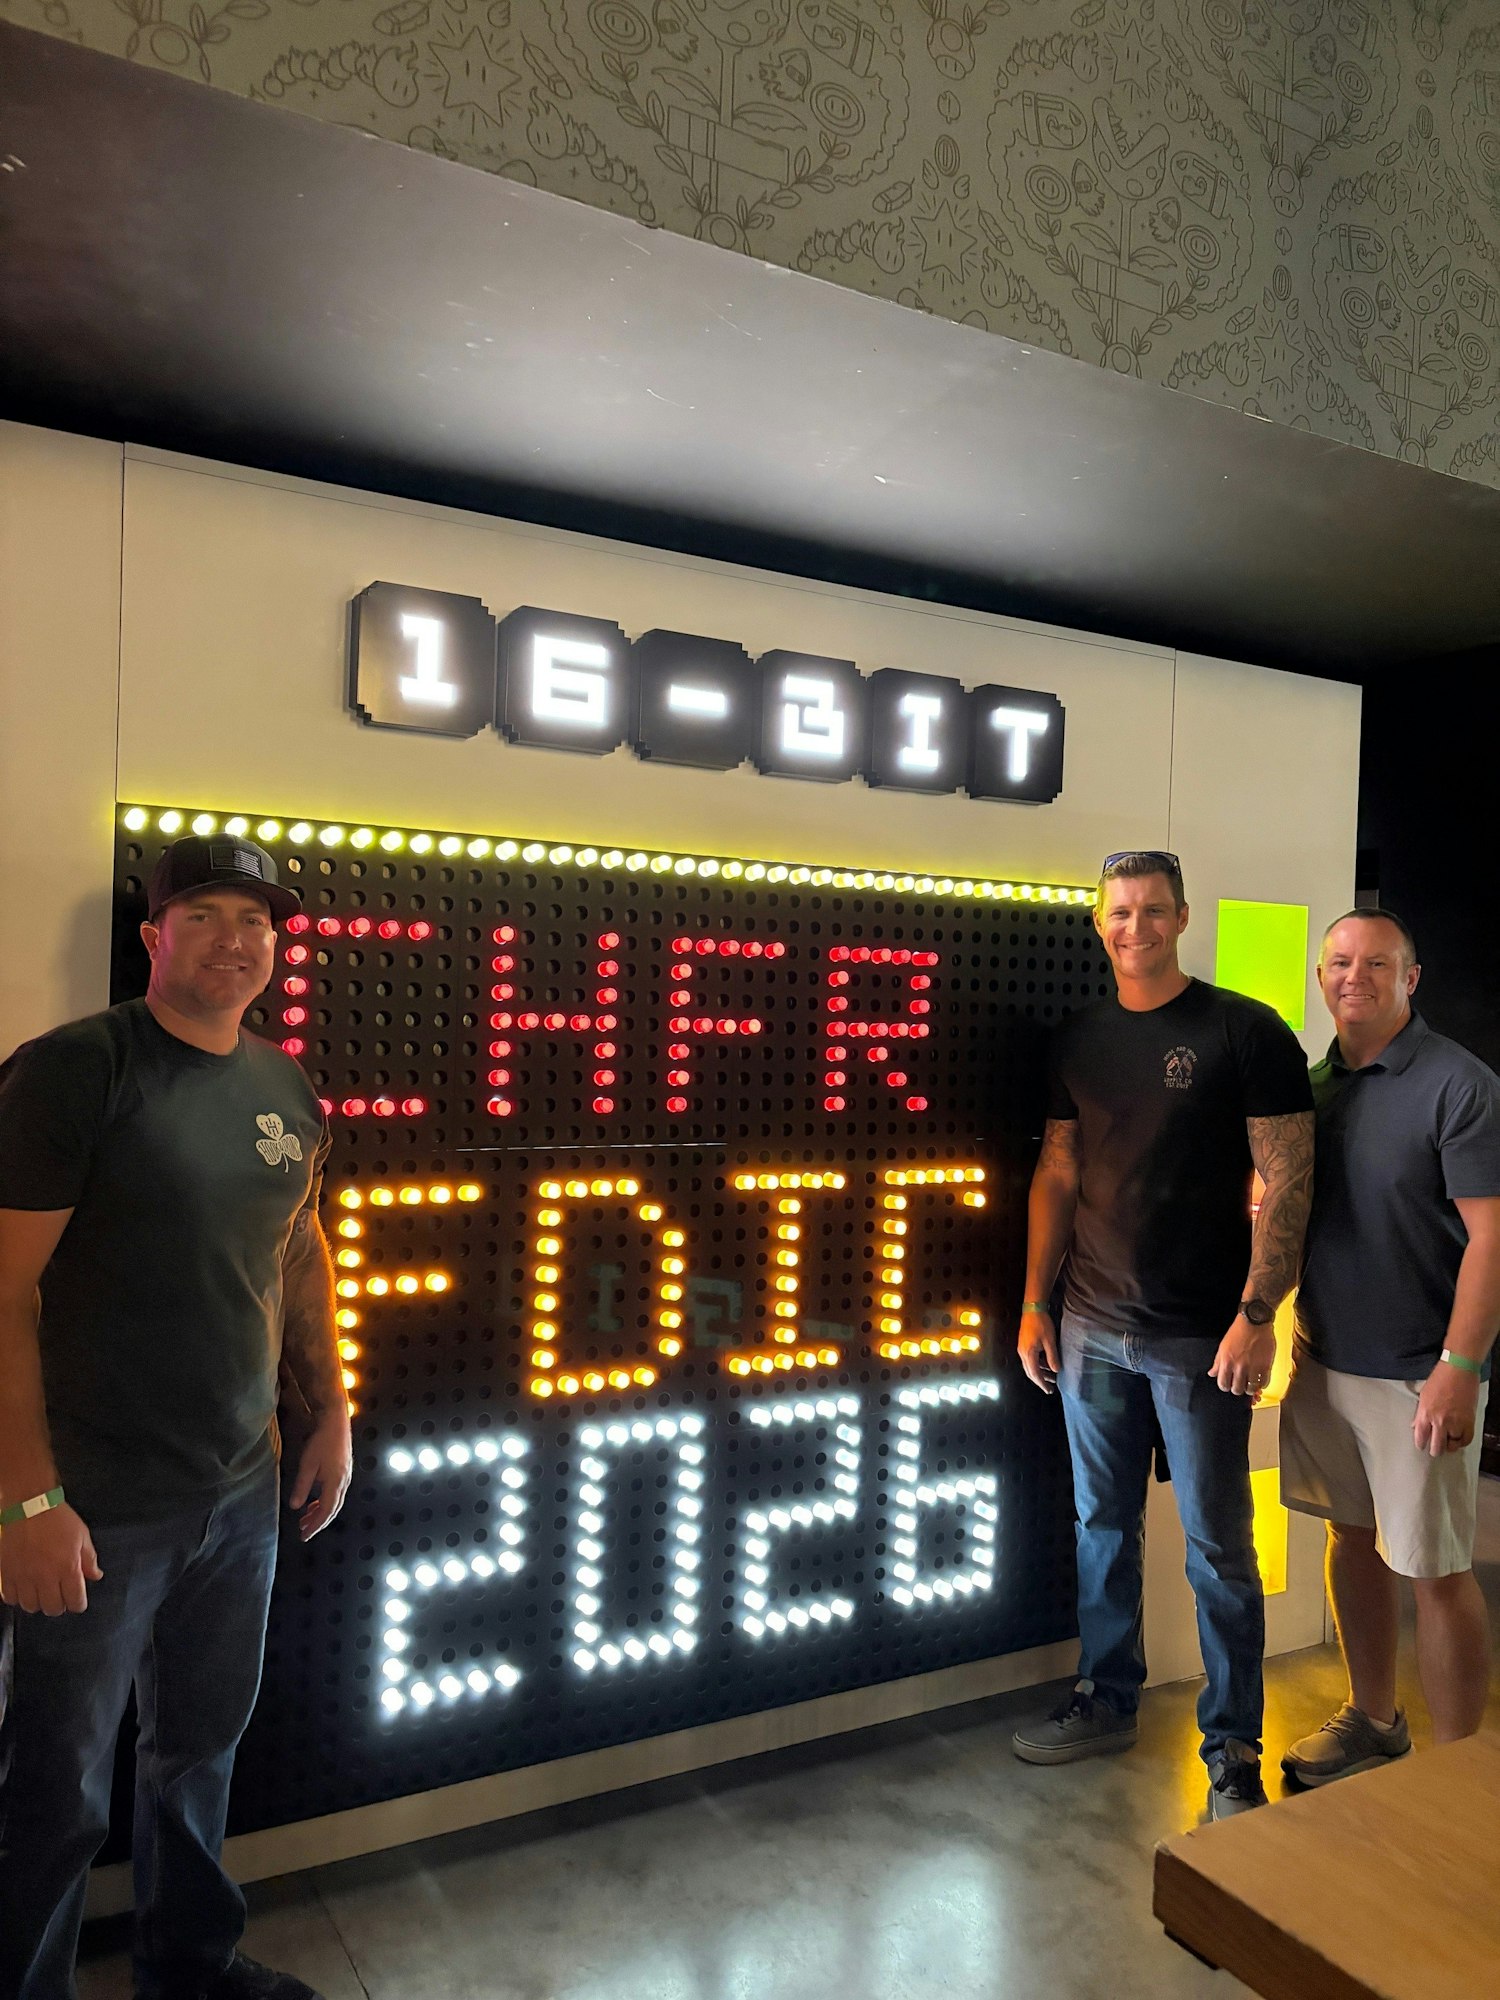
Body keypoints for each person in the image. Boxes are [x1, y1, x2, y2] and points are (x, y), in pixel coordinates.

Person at [0, 835, 352, 2000]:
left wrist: (328, 1407)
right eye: (203, 913)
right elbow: (3, 1292)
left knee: (200, 1749)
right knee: (51, 1787)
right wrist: (27, 1498)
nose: (234, 940)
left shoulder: (285, 1087)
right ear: (153, 934)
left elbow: (296, 1251)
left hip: (238, 1488)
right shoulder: (76, 1070)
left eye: (256, 920)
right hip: (93, 1501)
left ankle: (190, 1966)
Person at [1010, 850, 1314, 1819]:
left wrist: (1258, 1314)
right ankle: (1107, 1696)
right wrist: (1036, 1301)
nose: (1133, 927)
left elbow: (1289, 1180)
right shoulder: (1080, 1037)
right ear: (1099, 922)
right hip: (1095, 1336)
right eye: (1119, 912)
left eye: (1151, 910)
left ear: (1181, 917)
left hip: (1199, 1344)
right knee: (1102, 1523)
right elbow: (1058, 1169)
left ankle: (1232, 1750)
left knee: (1219, 1546)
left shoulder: (1244, 1030)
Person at [1279, 909, 1499, 1785]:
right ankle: (1373, 1720)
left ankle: (1455, 1779)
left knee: (1437, 1570)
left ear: (1411, 978)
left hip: (1419, 1374)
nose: (1354, 977)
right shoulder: (1313, 1085)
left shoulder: (1460, 1085)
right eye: (1339, 962)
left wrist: (1460, 1368)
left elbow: (1492, 1240)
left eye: (1376, 963)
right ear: (1320, 976)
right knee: (1352, 1540)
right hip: (1325, 1358)